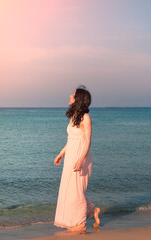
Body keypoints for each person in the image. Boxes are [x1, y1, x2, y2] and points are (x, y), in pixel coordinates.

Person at [53, 85, 100, 232]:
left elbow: (87, 141)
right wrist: (61, 153)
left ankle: (80, 223)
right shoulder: (74, 117)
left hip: (81, 158)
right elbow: (71, 139)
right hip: (70, 157)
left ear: (78, 99)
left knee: (77, 192)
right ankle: (93, 211)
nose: (70, 96)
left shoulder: (86, 118)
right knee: (71, 190)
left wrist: (81, 159)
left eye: (73, 94)